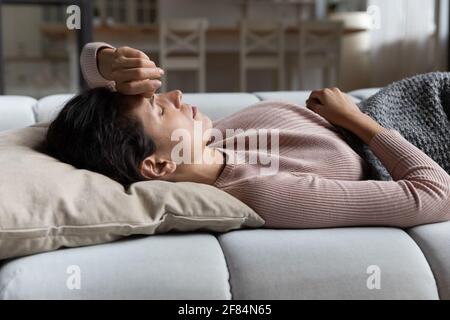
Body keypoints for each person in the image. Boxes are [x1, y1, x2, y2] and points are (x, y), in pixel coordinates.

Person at [45, 42, 450, 229]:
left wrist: (109, 59)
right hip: (429, 135)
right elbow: (435, 194)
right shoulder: (267, 192)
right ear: (157, 165)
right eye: (159, 107)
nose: (176, 95)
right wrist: (357, 121)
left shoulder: (212, 143)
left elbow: (90, 65)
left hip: (419, 98)